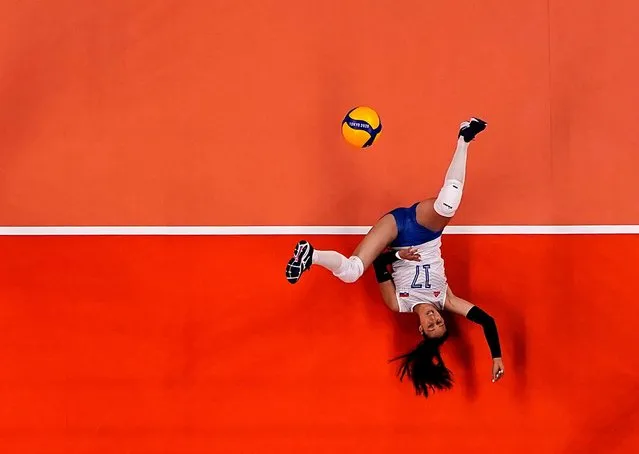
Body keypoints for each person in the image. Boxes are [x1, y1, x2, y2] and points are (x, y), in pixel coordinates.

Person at [285, 117, 504, 397]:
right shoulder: (445, 298)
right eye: (440, 321)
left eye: (430, 325)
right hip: (424, 230)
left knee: (352, 273)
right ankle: (465, 138)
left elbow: (379, 261)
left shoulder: (397, 303)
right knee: (448, 202)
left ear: (421, 329)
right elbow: (487, 320)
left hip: (393, 231)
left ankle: (310, 255)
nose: (435, 318)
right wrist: (495, 355)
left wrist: (399, 254)